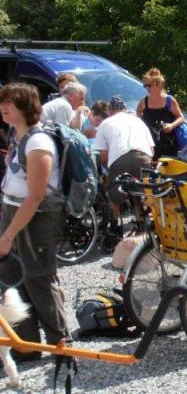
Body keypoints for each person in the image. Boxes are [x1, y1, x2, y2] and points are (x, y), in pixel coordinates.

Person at [0, 83, 70, 361]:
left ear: (26, 107)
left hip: (38, 219)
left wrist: (7, 236)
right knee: (11, 279)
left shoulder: (39, 141)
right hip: (14, 213)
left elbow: (36, 196)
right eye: (2, 101)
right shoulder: (17, 136)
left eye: (10, 102)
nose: (4, 106)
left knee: (40, 279)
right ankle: (26, 345)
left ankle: (61, 345)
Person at [94, 96, 154, 233]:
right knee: (141, 192)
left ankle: (116, 229)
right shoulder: (138, 121)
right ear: (125, 110)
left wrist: (109, 171)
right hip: (144, 156)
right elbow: (152, 150)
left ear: (109, 111)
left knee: (113, 196)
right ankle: (143, 224)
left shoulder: (105, 123)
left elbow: (103, 156)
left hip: (120, 158)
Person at [136, 68, 185, 160]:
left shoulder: (169, 100)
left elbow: (181, 117)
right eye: (145, 85)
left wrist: (172, 125)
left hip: (167, 145)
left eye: (149, 85)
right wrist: (141, 124)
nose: (147, 88)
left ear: (158, 85)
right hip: (149, 144)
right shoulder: (144, 101)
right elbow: (138, 111)